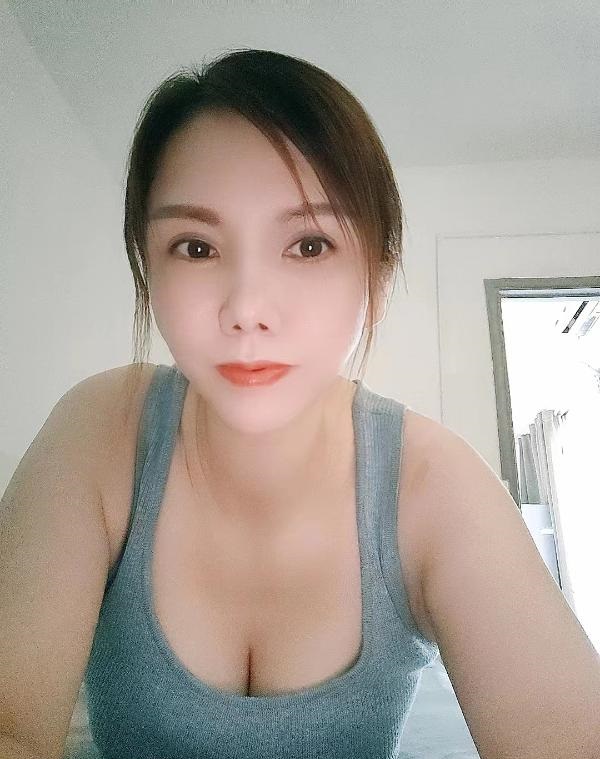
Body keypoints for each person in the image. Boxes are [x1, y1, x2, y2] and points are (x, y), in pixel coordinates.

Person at [2, 48, 599, 759]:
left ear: (377, 276)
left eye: (310, 245)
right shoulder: (103, 429)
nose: (247, 309)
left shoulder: (434, 483)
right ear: (147, 267)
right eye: (195, 247)